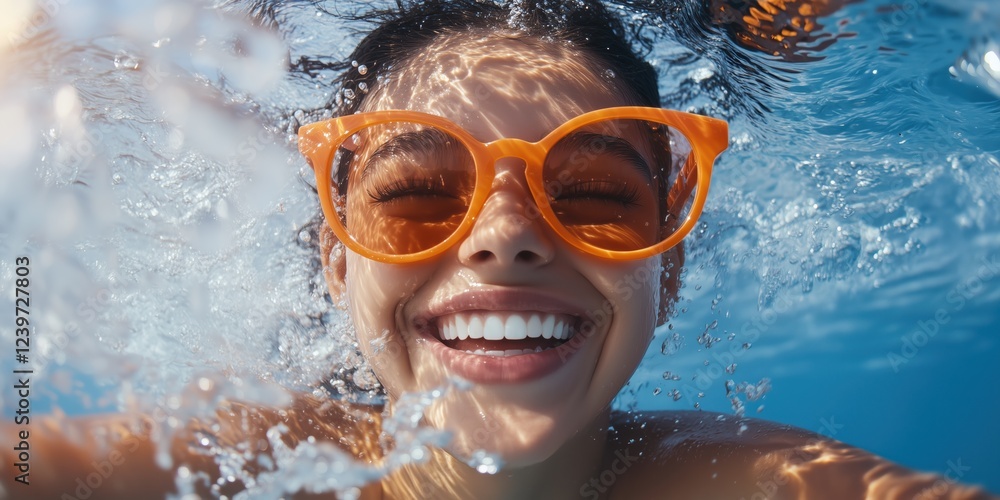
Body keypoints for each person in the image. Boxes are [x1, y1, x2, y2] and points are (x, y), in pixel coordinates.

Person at [2, 1, 995, 499]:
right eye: (418, 194)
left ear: (669, 260)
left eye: (596, 194)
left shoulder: (733, 478)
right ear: (336, 258)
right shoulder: (252, 452)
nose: (509, 235)